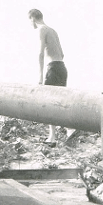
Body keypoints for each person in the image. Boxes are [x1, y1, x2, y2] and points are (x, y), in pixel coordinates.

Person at [28, 8, 67, 147]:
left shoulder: (41, 30)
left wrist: (39, 76)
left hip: (53, 67)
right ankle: (67, 129)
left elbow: (40, 54)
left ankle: (52, 137)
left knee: (50, 103)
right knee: (60, 101)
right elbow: (62, 54)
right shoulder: (53, 30)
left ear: (32, 19)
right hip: (62, 67)